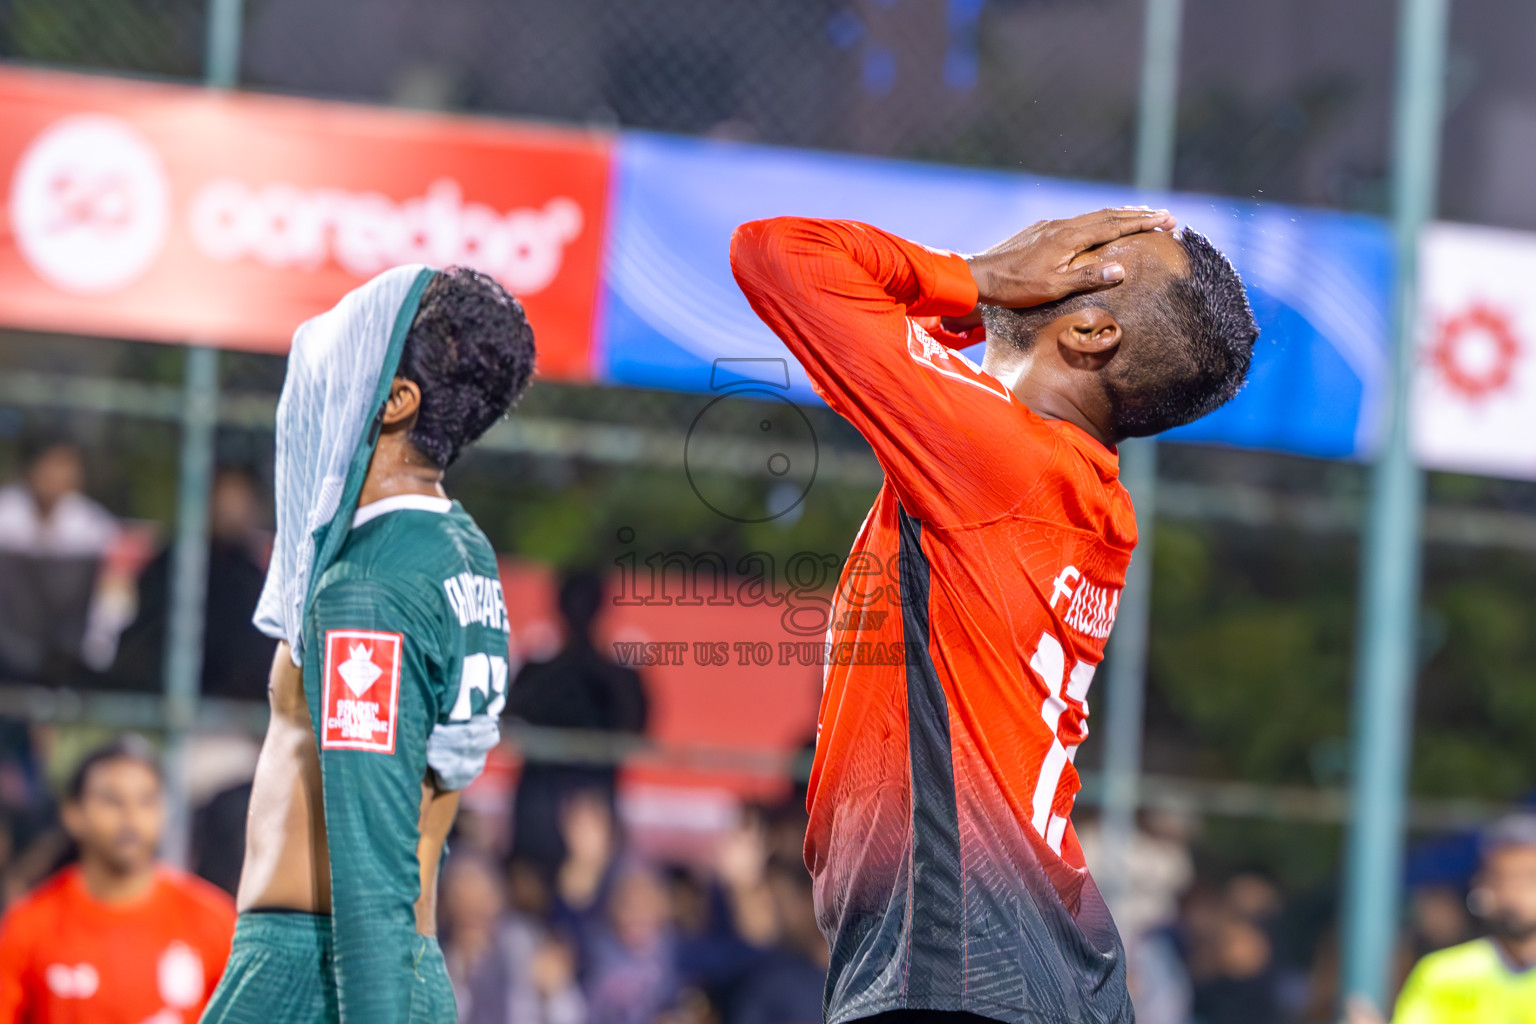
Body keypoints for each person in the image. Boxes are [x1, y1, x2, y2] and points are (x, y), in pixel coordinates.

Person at [730, 208, 1257, 1024]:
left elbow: (776, 253)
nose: (1050, 232)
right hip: (1028, 959)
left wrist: (977, 277)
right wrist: (982, 299)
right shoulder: (1065, 480)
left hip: (961, 957)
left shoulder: (994, 454)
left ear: (1088, 328)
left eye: (1089, 247)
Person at [200, 264, 536, 1024]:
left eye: (357, 341)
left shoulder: (368, 586)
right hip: (386, 969)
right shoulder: (460, 549)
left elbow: (371, 865)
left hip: (318, 979)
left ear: (395, 400)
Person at [0, 736, 237, 1023]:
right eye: (112, 801)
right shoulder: (30, 925)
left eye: (146, 800)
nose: (131, 816)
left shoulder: (215, 920)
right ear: (73, 813)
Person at [507, 571, 648, 876]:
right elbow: (508, 718)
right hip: (539, 811)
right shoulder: (540, 674)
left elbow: (636, 725)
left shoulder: (617, 679)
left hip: (593, 811)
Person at [111, 466, 276, 698]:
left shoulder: (249, 573)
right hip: (162, 692)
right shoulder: (173, 561)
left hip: (233, 706)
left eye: (240, 497)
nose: (231, 507)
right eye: (225, 495)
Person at [1387, 813, 1536, 1023]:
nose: (1513, 894)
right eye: (1501, 878)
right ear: (1481, 885)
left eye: (1528, 879)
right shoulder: (1440, 973)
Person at [0, 440, 119, 682]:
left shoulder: (95, 527)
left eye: (65, 465)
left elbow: (112, 596)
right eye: (50, 463)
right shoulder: (5, 511)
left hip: (67, 649)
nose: (56, 474)